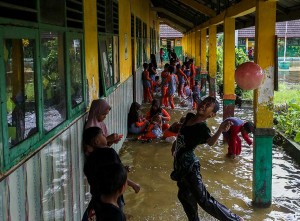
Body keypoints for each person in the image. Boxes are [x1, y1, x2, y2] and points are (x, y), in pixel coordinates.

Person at [170, 96, 244, 221]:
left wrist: (220, 129)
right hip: (180, 165)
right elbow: (182, 133)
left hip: (190, 167)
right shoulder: (189, 117)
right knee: (185, 197)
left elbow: (210, 142)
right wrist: (175, 145)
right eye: (203, 102)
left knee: (203, 199)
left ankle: (235, 219)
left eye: (207, 105)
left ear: (212, 115)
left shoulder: (202, 128)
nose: (203, 105)